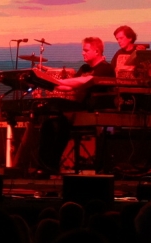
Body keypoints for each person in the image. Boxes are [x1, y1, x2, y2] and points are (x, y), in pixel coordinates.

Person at [33, 37, 112, 175]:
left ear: (97, 51)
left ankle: (51, 167)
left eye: (86, 50)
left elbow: (83, 81)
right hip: (78, 111)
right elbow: (68, 86)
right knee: (49, 125)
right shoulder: (84, 68)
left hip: (92, 111)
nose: (83, 53)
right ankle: (45, 168)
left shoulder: (105, 68)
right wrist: (44, 82)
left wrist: (55, 81)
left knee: (57, 117)